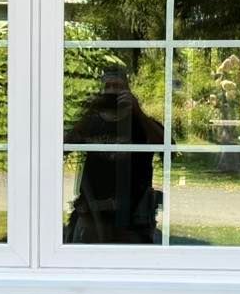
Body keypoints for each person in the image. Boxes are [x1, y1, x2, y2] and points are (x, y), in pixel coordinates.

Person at [63, 66, 165, 244]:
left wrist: (137, 111)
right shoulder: (92, 123)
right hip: (91, 214)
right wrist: (89, 113)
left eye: (117, 87)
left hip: (133, 219)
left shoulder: (141, 123)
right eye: (107, 87)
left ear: (128, 90)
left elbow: (167, 148)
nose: (112, 92)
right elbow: (63, 148)